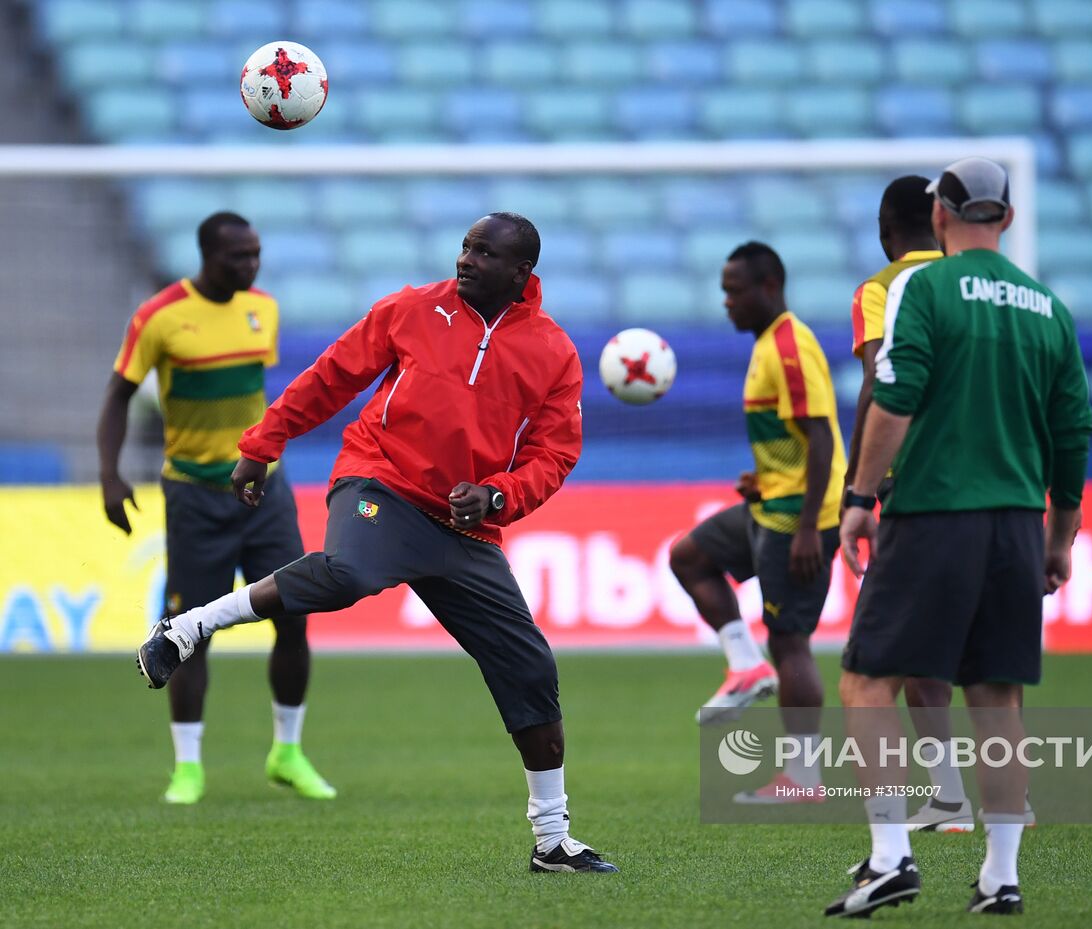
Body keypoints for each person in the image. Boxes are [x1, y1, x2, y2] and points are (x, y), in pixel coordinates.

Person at [136, 212, 618, 873]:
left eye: (485, 252)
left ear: (520, 273)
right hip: (380, 482)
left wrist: (499, 494)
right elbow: (332, 375)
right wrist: (262, 443)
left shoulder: (553, 352)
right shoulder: (411, 309)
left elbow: (555, 452)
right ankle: (189, 626)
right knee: (349, 574)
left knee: (530, 667)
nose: (467, 259)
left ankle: (552, 840)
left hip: (463, 523)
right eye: (465, 246)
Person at [826, 158, 1092, 918]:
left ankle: (890, 858)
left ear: (939, 213)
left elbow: (894, 398)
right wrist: (1061, 534)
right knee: (997, 697)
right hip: (1016, 521)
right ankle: (1000, 875)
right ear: (1005, 218)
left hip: (935, 510)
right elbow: (1074, 431)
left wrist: (860, 497)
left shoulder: (923, 287)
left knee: (867, 680)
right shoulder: (1049, 308)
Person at [98, 211, 334, 805]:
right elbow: (119, 396)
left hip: (263, 490)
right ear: (207, 255)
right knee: (191, 630)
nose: (250, 266)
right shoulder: (158, 318)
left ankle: (287, 751)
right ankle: (188, 767)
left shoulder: (265, 310)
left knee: (294, 613)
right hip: (195, 495)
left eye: (255, 255)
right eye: (239, 257)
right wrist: (109, 474)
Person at [669, 242, 844, 803]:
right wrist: (762, 479)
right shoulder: (770, 344)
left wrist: (813, 527)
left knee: (791, 640)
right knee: (688, 555)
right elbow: (794, 440)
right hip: (773, 502)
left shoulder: (789, 346)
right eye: (724, 290)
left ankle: (804, 778)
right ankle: (746, 666)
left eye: (735, 290)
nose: (727, 302)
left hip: (799, 517)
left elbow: (820, 435)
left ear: (769, 286)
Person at [848, 175, 976, 834]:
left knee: (876, 666)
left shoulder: (882, 289)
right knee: (976, 656)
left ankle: (893, 839)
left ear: (885, 227)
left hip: (912, 487)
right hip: (985, 486)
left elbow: (880, 379)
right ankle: (968, 797)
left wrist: (857, 489)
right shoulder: (974, 281)